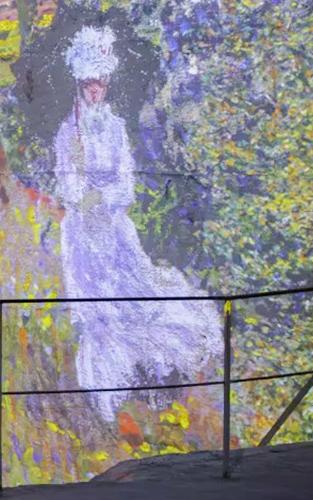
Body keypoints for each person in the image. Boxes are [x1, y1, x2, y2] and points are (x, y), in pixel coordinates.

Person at [54, 26, 221, 422]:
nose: (97, 90)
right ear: (80, 84)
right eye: (90, 84)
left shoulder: (114, 128)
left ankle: (156, 381)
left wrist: (102, 197)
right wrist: (84, 197)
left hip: (114, 230)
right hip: (83, 239)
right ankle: (111, 401)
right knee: (99, 315)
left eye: (102, 83)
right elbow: (68, 186)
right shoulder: (67, 133)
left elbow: (126, 184)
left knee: (138, 299)